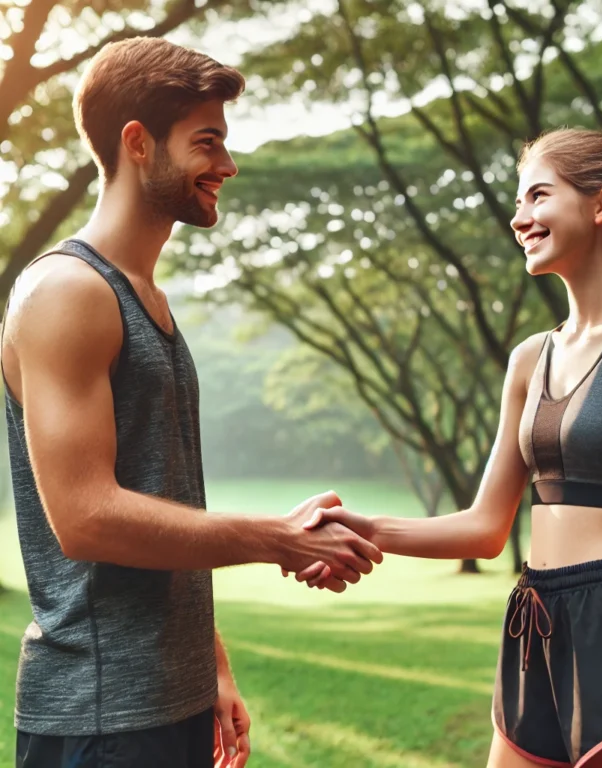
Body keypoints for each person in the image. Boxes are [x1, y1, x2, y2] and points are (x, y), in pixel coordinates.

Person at [2, 37, 382, 768]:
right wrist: (281, 537)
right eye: (207, 143)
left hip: (167, 704)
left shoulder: (149, 300)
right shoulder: (68, 293)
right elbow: (85, 519)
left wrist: (210, 665)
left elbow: (160, 502)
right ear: (137, 144)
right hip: (100, 716)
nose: (228, 167)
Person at [298, 129, 602, 767]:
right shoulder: (529, 359)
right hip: (531, 619)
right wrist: (366, 529)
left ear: (601, 205)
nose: (519, 219)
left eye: (538, 196)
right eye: (518, 202)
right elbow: (485, 527)